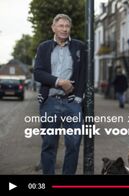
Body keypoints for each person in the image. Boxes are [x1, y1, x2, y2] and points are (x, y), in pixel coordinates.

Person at [34, 14, 86, 175]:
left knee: (74, 143)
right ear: (53, 28)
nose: (64, 29)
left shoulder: (79, 47)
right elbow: (38, 73)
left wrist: (78, 96)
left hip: (72, 103)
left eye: (67, 26)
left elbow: (84, 73)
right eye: (61, 26)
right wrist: (59, 82)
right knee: (49, 144)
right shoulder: (44, 47)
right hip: (50, 101)